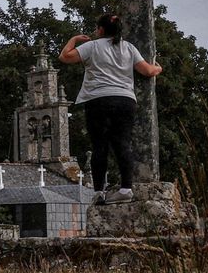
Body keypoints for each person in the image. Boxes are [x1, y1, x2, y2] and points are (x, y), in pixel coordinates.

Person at [58, 13, 162, 204]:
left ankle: (99, 191)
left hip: (97, 99)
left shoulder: (93, 46)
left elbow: (65, 56)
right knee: (122, 143)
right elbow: (147, 71)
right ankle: (126, 188)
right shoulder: (129, 48)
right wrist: (158, 68)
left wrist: (74, 39)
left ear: (101, 30)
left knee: (100, 146)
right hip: (125, 100)